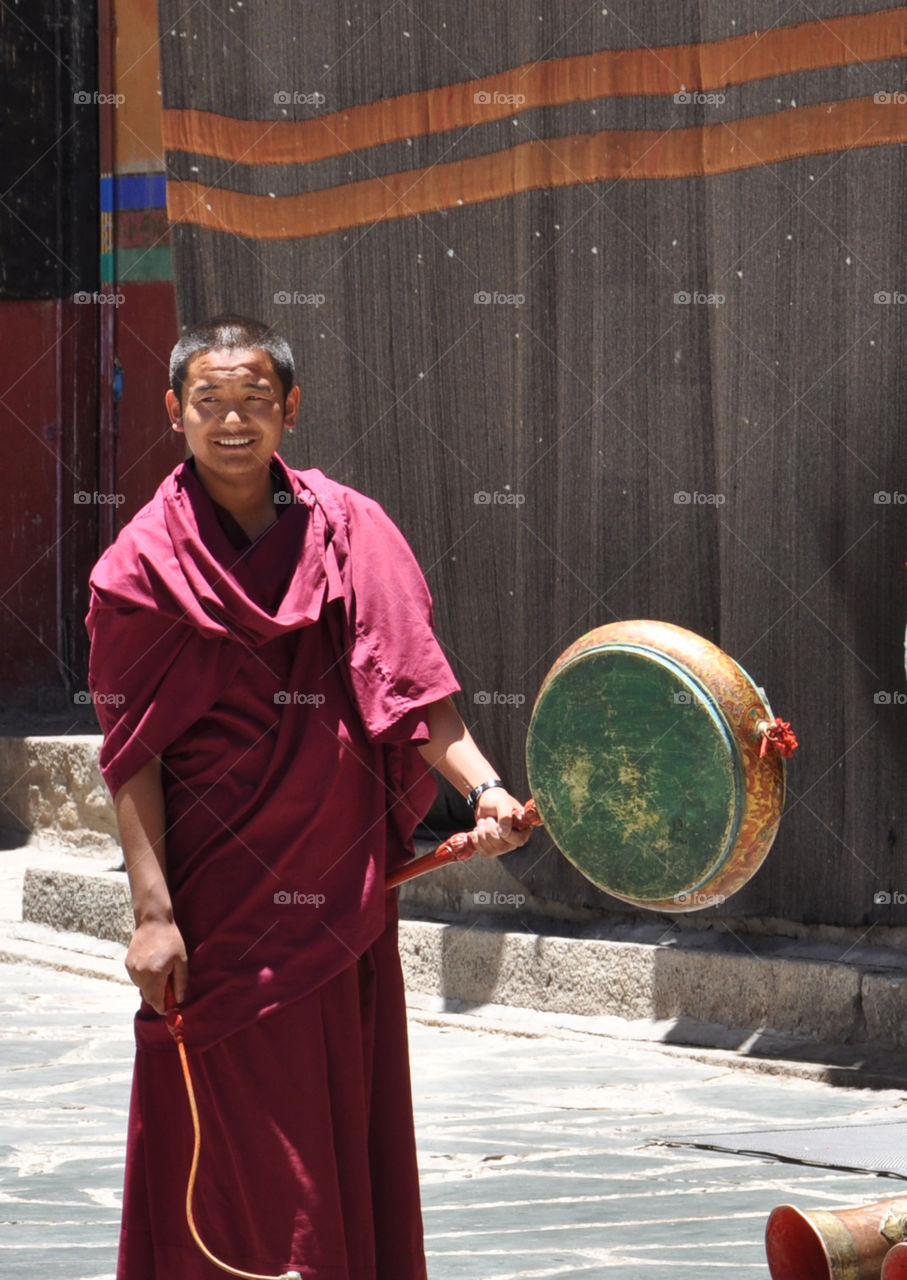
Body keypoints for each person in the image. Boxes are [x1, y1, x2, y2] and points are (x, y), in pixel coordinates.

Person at [86, 315, 531, 1280]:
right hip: (221, 905)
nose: (233, 420)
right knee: (238, 1143)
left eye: (255, 400)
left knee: (331, 1126)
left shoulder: (350, 529)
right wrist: (152, 917)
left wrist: (486, 793)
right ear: (173, 413)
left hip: (337, 894)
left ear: (290, 409)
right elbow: (131, 755)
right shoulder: (139, 569)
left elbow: (416, 694)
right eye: (209, 401)